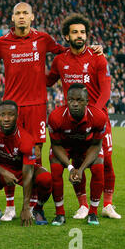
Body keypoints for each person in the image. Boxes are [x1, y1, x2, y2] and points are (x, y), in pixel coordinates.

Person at [0, 2, 103, 221]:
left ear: (32, 17)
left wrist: (92, 48)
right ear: (12, 18)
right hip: (12, 107)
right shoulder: (1, 43)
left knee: (35, 156)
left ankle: (35, 206)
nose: (21, 17)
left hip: (37, 107)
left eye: (25, 13)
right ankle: (10, 206)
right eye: (17, 13)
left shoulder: (43, 39)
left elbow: (68, 50)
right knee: (8, 154)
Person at [46, 13, 120, 219]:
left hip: (97, 119)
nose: (80, 36)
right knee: (78, 162)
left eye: (83, 32)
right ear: (67, 36)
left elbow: (106, 91)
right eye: (75, 32)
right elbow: (47, 81)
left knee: (105, 162)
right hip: (72, 120)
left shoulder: (98, 58)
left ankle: (107, 204)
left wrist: (93, 112)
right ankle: (83, 205)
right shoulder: (60, 60)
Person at [0, 100, 52, 226]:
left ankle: (37, 209)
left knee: (45, 179)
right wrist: (5, 172)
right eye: (3, 115)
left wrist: (25, 208)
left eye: (11, 115)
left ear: (17, 116)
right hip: (2, 168)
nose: (6, 118)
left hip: (22, 169)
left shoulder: (26, 139)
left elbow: (28, 173)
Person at [47, 83, 107, 226]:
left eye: (79, 100)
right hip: (65, 147)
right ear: (66, 100)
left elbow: (96, 145)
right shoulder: (55, 117)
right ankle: (59, 214)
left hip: (88, 146)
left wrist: (80, 169)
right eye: (71, 100)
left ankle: (93, 212)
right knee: (55, 169)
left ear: (87, 102)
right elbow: (56, 146)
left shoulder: (99, 116)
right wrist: (70, 167)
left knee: (98, 167)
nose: (74, 104)